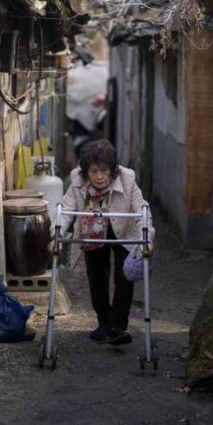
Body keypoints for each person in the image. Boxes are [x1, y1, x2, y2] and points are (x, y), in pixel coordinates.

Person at [55, 139, 154, 346]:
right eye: (93, 171)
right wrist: (55, 235)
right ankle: (104, 321)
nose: (99, 176)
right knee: (96, 275)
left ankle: (118, 327)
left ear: (112, 171)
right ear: (86, 172)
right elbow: (65, 210)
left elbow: (141, 210)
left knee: (124, 276)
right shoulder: (77, 180)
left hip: (124, 231)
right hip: (92, 231)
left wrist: (147, 238)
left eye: (104, 171)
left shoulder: (127, 178)